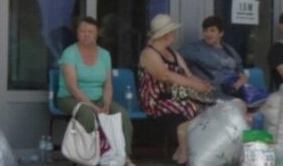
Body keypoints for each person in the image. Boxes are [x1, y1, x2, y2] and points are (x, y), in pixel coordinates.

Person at [138, 14, 213, 165]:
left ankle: (183, 149)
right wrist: (194, 86)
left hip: (174, 94)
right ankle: (184, 151)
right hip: (156, 98)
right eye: (173, 32)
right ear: (166, 35)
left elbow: (188, 75)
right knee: (189, 106)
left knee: (206, 104)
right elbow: (165, 76)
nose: (175, 35)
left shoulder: (173, 53)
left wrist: (203, 84)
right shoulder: (149, 54)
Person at [58, 17, 134, 163]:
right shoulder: (69, 53)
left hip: (98, 98)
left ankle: (124, 157)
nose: (86, 34)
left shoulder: (105, 54)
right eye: (82, 31)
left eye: (90, 31)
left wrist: (106, 104)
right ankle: (87, 158)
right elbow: (73, 88)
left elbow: (108, 84)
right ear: (77, 33)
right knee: (87, 114)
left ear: (97, 33)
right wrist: (94, 108)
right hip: (70, 98)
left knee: (121, 114)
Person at [180, 16, 250, 101]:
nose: (208, 34)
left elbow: (239, 69)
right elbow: (175, 58)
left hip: (235, 91)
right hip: (212, 93)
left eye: (212, 30)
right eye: (205, 30)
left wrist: (243, 79)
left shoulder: (229, 50)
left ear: (221, 33)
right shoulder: (195, 48)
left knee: (261, 103)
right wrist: (190, 76)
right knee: (240, 104)